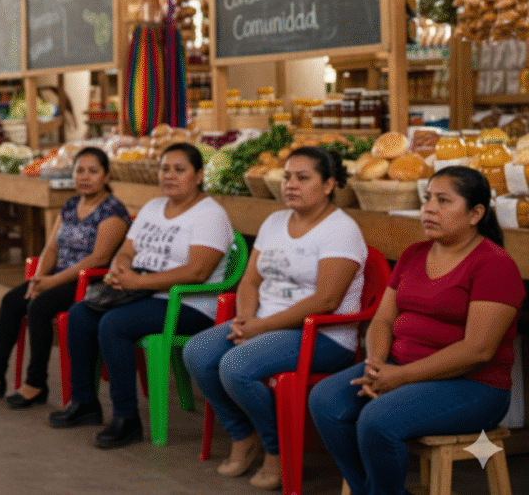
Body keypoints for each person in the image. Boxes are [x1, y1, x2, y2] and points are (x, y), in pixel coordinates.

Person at [308, 166, 525, 495]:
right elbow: (382, 320)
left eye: (443, 201)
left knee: (378, 420)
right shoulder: (413, 254)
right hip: (399, 368)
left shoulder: (494, 265)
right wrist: (377, 364)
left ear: (476, 213)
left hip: (474, 387)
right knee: (325, 400)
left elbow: (477, 350)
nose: (429, 209)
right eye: (427, 200)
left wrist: (400, 377)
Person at [182, 146, 367, 490]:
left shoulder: (341, 230)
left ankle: (276, 449)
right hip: (263, 324)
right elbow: (251, 279)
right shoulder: (274, 221)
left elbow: (327, 299)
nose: (291, 185)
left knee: (236, 366)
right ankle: (242, 434)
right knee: (198, 351)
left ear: (328, 185)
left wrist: (260, 328)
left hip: (323, 336)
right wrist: (246, 319)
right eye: (287, 177)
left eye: (303, 178)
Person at [49, 142, 235, 449]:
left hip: (187, 304)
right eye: (165, 169)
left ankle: (127, 418)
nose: (170, 176)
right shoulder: (152, 207)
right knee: (81, 314)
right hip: (139, 292)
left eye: (180, 170)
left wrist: (138, 283)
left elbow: (197, 272)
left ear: (199, 175)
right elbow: (125, 251)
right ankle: (84, 403)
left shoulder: (210, 215)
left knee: (114, 324)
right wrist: (120, 271)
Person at [0, 147, 131, 408]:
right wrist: (38, 278)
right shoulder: (71, 205)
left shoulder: (113, 211)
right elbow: (52, 247)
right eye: (79, 171)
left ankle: (36, 383)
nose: (85, 177)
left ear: (107, 176)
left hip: (89, 282)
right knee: (11, 301)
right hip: (56, 277)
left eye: (93, 171)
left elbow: (98, 258)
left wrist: (52, 281)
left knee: (38, 306)